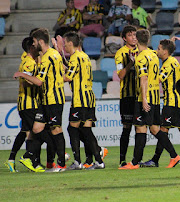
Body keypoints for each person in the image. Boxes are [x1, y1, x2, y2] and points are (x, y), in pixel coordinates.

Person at [119, 29, 180, 170]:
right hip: (155, 97)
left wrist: (144, 99)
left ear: (137, 40)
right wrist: (171, 42)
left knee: (141, 128)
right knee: (154, 129)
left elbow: (143, 78)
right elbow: (164, 51)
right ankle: (174, 156)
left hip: (145, 98)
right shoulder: (153, 54)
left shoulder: (141, 57)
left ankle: (135, 163)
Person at [140, 39, 180, 168]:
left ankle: (156, 160)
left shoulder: (168, 63)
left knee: (163, 130)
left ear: (165, 51)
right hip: (178, 101)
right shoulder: (172, 61)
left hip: (172, 102)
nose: (157, 51)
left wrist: (145, 76)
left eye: (158, 49)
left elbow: (159, 79)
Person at [14, 28, 67, 172]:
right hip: (45, 100)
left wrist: (22, 75)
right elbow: (64, 73)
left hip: (53, 99)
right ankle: (30, 155)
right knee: (37, 128)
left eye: (35, 41)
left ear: (41, 41)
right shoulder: (52, 55)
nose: (34, 44)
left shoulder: (48, 57)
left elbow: (38, 82)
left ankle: (61, 163)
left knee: (56, 130)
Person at [63, 31, 107, 170]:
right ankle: (99, 161)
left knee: (72, 128)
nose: (65, 47)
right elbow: (73, 71)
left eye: (65, 44)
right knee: (86, 130)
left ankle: (77, 161)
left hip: (79, 99)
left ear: (71, 43)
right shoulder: (85, 57)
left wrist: (52, 75)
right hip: (89, 98)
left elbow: (68, 77)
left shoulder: (75, 57)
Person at [4, 37, 41, 172]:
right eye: (36, 44)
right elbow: (25, 81)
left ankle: (12, 159)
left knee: (27, 132)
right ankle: (32, 161)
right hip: (28, 103)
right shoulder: (28, 63)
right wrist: (38, 83)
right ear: (31, 46)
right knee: (39, 131)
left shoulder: (29, 60)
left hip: (27, 103)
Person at [114, 25, 138, 167]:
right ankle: (122, 159)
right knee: (127, 128)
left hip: (140, 96)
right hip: (127, 97)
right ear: (124, 38)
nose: (133, 37)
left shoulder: (141, 51)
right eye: (130, 35)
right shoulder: (120, 53)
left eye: (135, 34)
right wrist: (130, 64)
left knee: (140, 128)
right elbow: (121, 75)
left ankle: (136, 159)